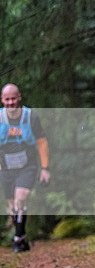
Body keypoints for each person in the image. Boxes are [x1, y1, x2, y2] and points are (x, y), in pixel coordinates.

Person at [0, 84, 50, 252]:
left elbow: (42, 142)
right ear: (2, 100)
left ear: (19, 97)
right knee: (12, 205)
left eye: (13, 98)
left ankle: (17, 239)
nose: (10, 102)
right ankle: (21, 236)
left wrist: (45, 168)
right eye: (7, 99)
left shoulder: (31, 117)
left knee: (20, 198)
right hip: (5, 167)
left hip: (27, 166)